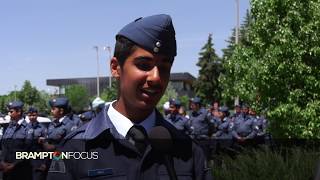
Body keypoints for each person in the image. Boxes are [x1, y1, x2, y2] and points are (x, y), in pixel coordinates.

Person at [47, 14, 212, 180]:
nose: (156, 77)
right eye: (143, 65)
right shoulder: (75, 149)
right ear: (115, 68)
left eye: (164, 67)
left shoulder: (187, 151)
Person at [0, 100, 32, 180]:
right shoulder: (9, 128)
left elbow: (27, 151)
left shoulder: (28, 129)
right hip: (5, 169)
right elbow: (4, 147)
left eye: (11, 112)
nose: (9, 114)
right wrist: (2, 162)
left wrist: (13, 165)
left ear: (19, 112)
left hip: (20, 170)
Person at [26, 107, 47, 180]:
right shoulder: (24, 127)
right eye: (30, 115)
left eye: (34, 115)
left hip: (38, 159)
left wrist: (44, 162)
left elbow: (46, 147)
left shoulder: (42, 128)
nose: (32, 117)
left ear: (37, 115)